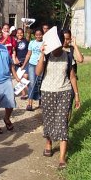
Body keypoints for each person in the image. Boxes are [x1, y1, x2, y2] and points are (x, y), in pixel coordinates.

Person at [35, 29, 80, 169]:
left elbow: (72, 76)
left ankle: (62, 158)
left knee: (62, 122)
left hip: (64, 92)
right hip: (47, 91)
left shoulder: (67, 56)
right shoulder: (47, 55)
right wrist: (42, 53)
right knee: (49, 119)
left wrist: (77, 95)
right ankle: (48, 143)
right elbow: (37, 72)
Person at [21, 28, 44, 111]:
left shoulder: (45, 43)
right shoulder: (32, 42)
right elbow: (28, 54)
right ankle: (29, 104)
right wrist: (24, 65)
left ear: (42, 35)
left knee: (41, 83)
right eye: (37, 35)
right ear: (35, 36)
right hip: (32, 64)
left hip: (41, 64)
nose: (38, 36)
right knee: (32, 83)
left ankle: (41, 103)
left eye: (40, 34)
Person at [13, 28, 29, 100]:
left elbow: (28, 34)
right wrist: (15, 59)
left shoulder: (26, 41)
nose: (20, 34)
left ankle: (28, 91)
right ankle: (23, 93)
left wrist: (26, 27)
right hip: (18, 62)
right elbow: (14, 51)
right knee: (19, 78)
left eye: (21, 33)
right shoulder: (15, 42)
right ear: (16, 34)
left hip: (25, 61)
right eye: (18, 33)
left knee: (25, 77)